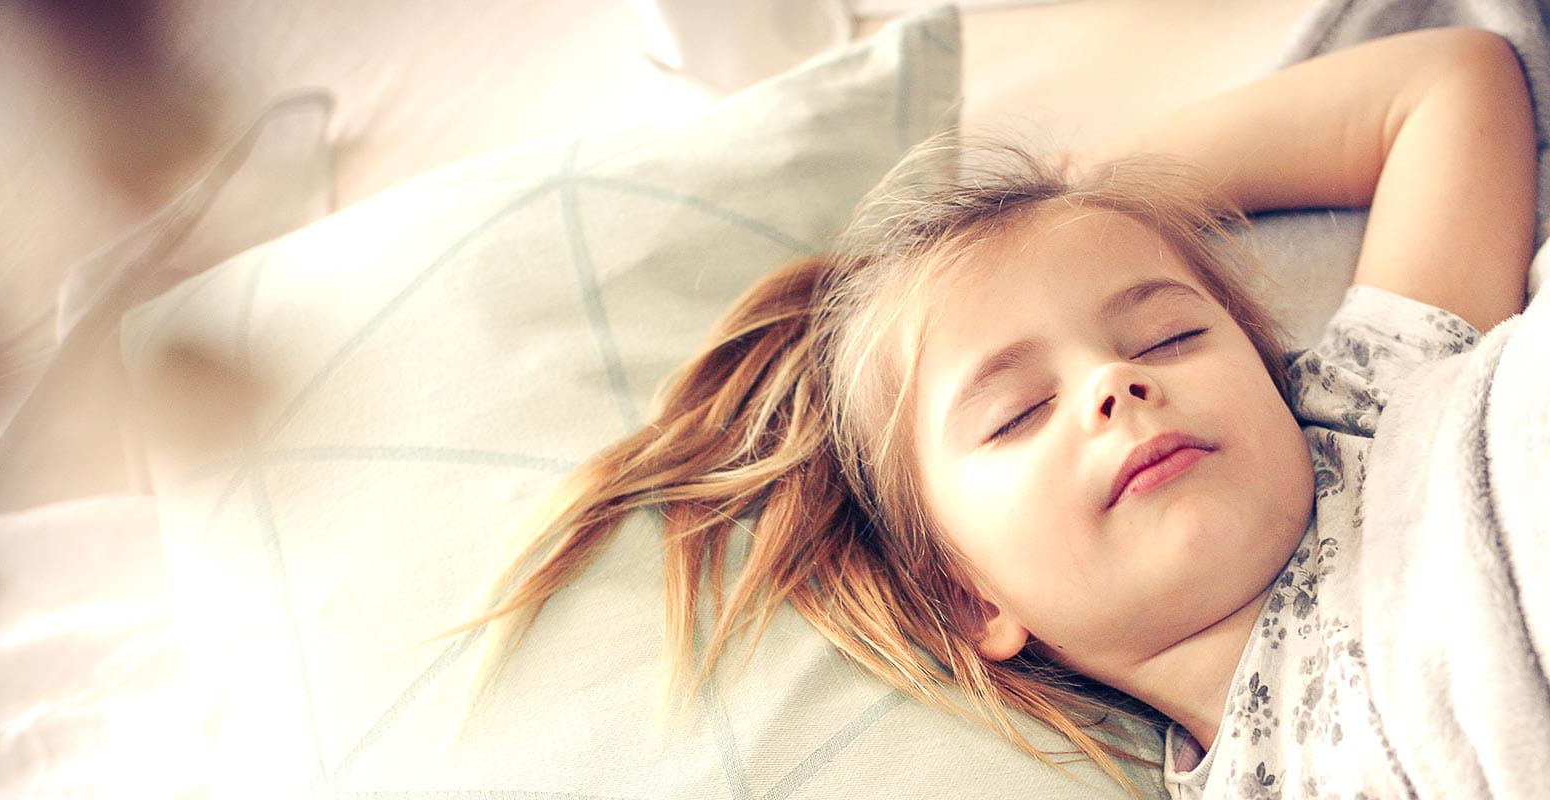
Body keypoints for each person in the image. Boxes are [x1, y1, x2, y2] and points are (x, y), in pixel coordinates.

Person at [470, 26, 1537, 798]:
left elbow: (1448, 84)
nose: (1116, 384)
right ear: (966, 594)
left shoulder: (1366, 396)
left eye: (1169, 335)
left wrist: (1087, 192)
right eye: (1018, 411)